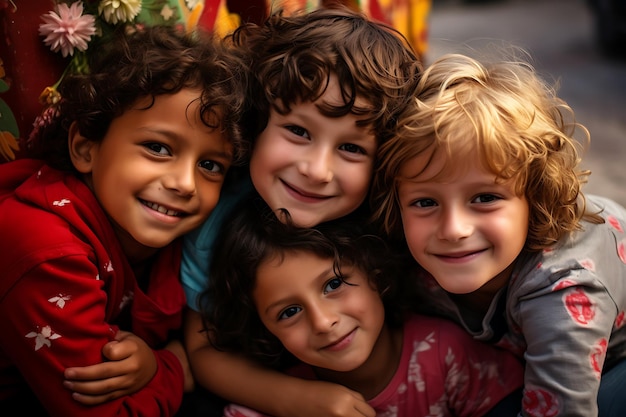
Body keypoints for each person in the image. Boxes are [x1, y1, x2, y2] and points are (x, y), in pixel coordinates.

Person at [182, 7, 422, 417]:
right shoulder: (216, 225)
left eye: (351, 148)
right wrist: (297, 399)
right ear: (255, 122)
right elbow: (203, 349)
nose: (316, 170)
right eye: (297, 131)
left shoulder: (393, 212)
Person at [0, 25, 248, 416]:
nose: (185, 184)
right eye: (157, 147)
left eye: (210, 165)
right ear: (85, 148)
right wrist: (173, 365)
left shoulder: (163, 237)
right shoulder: (46, 250)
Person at [372, 50, 626, 417]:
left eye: (485, 198)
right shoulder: (409, 257)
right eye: (425, 202)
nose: (453, 230)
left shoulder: (564, 289)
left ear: (535, 199)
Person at [199, 200, 524, 417]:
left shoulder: (446, 353)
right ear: (264, 329)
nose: (323, 322)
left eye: (333, 285)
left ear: (375, 272)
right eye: (289, 312)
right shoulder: (277, 402)